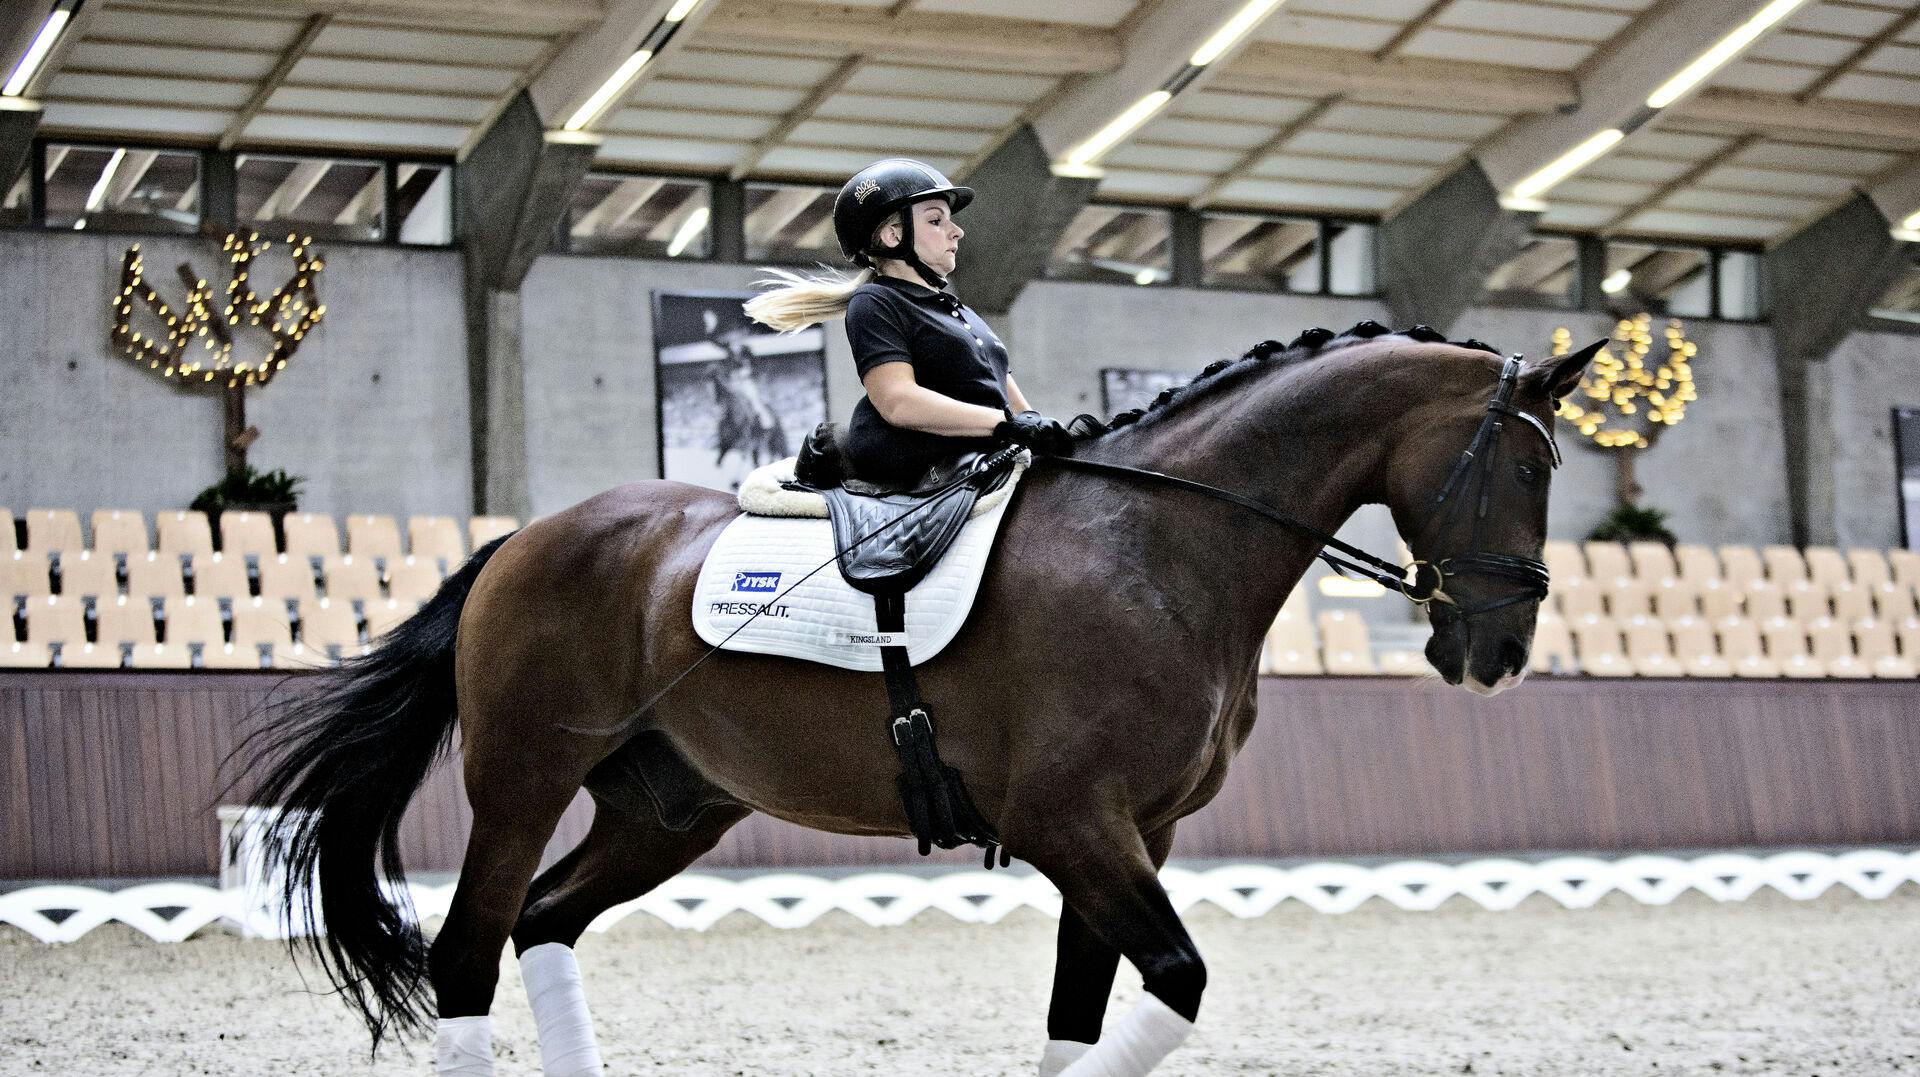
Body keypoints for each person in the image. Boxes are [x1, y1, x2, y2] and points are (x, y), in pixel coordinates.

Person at [745, 158, 1074, 487]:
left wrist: (1047, 433)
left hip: (980, 458)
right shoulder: (874, 302)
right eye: (936, 220)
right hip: (918, 468)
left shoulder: (960, 312)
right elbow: (898, 401)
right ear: (892, 235)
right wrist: (1005, 425)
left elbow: (1016, 409)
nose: (956, 231)